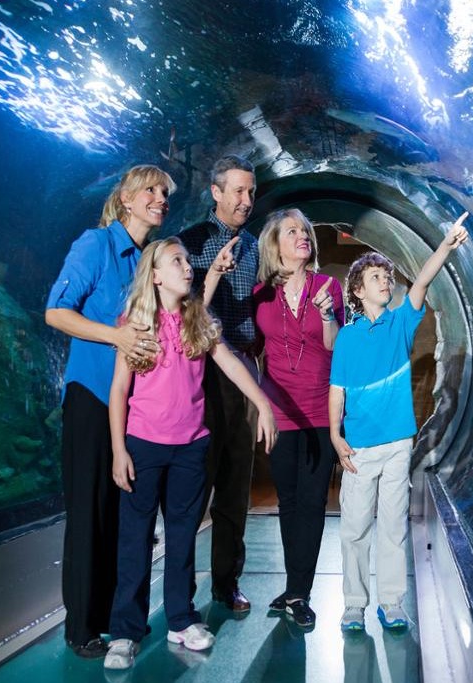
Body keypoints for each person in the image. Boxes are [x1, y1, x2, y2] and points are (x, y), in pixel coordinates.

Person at [104, 237, 277, 670]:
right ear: (156, 275)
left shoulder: (198, 318)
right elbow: (119, 390)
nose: (187, 267)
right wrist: (118, 449)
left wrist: (263, 403)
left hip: (189, 447)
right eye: (176, 261)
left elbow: (232, 364)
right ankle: (126, 630)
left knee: (182, 537)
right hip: (143, 445)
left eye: (187, 260)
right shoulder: (136, 323)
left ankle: (181, 618)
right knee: (135, 539)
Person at [45, 164, 172, 658]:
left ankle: (114, 617)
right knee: (88, 513)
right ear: (125, 199)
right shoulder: (95, 246)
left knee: (123, 516)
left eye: (164, 192)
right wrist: (116, 336)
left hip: (133, 406)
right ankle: (81, 626)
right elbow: (57, 312)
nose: (159, 198)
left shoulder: (148, 261)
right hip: (92, 397)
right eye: (150, 190)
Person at [330, 212, 470, 632]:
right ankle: (354, 604)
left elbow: (422, 281)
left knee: (393, 525)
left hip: (397, 444)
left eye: (387, 277)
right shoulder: (348, 337)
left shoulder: (401, 323)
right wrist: (335, 436)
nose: (385, 282)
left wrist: (444, 247)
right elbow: (336, 390)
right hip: (358, 446)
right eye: (375, 277)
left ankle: (391, 603)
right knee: (355, 528)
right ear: (357, 290)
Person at [253, 208, 345, 629]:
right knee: (288, 505)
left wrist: (327, 314)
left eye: (305, 231)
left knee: (311, 504)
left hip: (318, 413)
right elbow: (254, 353)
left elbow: (333, 347)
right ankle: (293, 588)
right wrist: (259, 407)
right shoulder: (260, 294)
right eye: (291, 232)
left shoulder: (328, 286)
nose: (302, 237)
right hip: (279, 415)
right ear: (275, 245)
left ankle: (300, 593)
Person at [178, 154, 261, 613]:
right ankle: (181, 591)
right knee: (196, 483)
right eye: (238, 191)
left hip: (244, 371)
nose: (246, 200)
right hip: (201, 373)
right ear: (215, 191)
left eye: (251, 191)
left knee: (235, 484)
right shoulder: (187, 243)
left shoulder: (254, 246)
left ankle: (226, 583)